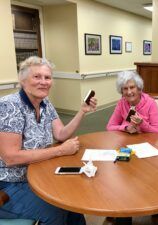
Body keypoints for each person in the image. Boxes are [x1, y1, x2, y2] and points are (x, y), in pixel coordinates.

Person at [0, 56, 97, 225]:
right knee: (57, 211)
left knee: (73, 203)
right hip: (9, 184)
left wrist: (82, 111)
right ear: (22, 81)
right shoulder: (9, 106)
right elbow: (11, 157)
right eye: (37, 77)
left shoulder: (45, 103)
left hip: (38, 175)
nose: (43, 82)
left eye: (47, 77)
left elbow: (60, 134)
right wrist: (60, 150)